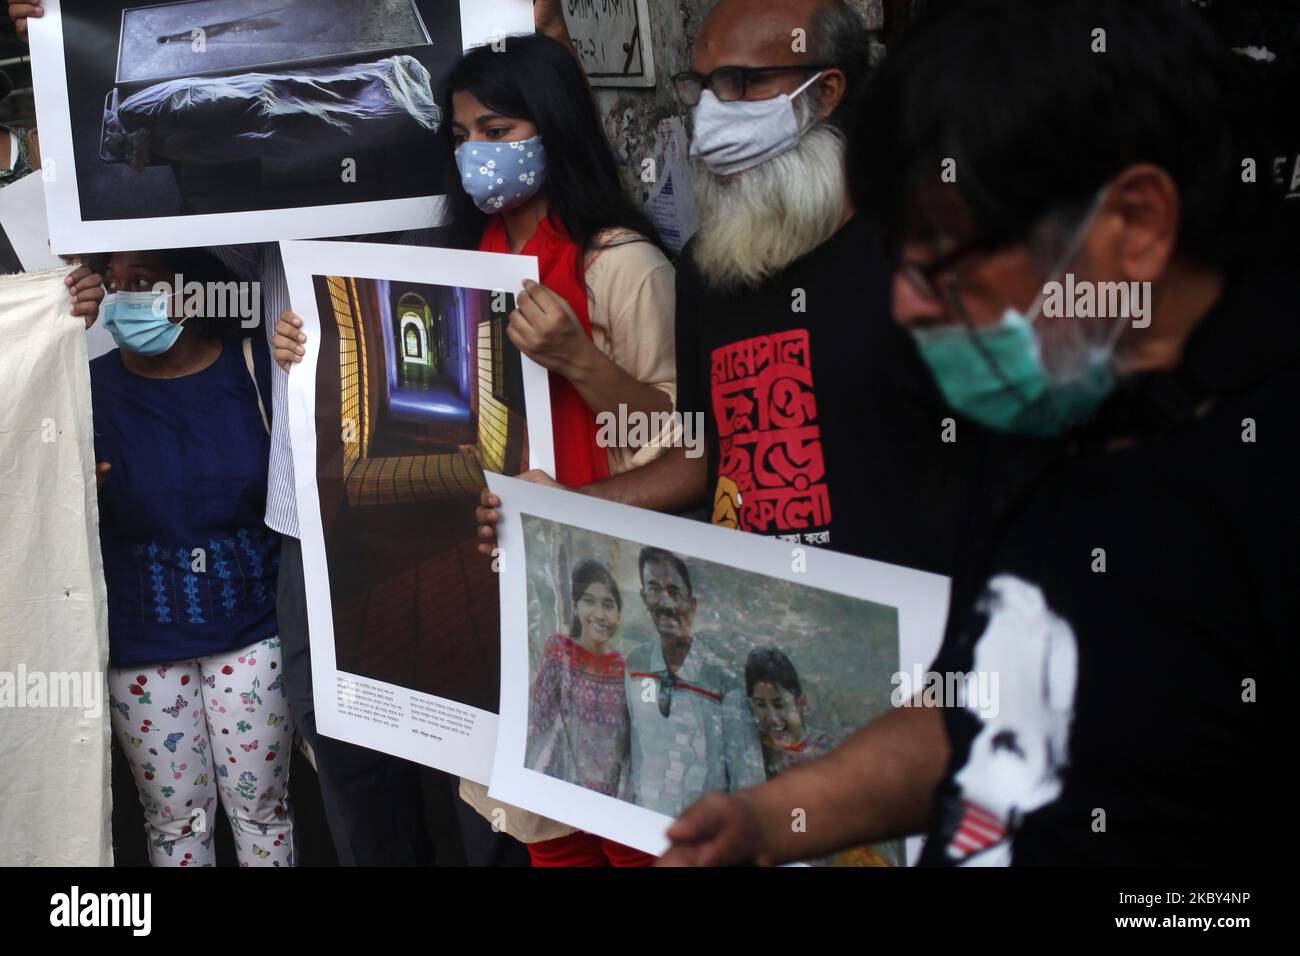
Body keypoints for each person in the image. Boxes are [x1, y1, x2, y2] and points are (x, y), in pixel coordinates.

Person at [659, 0, 1292, 868]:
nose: (909, 303)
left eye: (943, 256)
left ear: (1136, 226)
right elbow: (984, 709)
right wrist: (776, 819)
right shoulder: (1063, 427)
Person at [276, 32, 677, 867]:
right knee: (543, 836)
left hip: (614, 613)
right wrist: (309, 349)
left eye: (498, 132)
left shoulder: (624, 269)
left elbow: (683, 449)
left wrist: (580, 362)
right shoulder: (471, 266)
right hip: (507, 613)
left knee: (635, 836)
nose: (476, 156)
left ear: (554, 128)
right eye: (461, 138)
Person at [477, 0, 986, 580]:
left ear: (826, 92)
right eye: (703, 86)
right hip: (763, 629)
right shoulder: (708, 266)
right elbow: (702, 456)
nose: (714, 112)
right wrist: (565, 506)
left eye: (742, 83)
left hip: (907, 638)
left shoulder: (921, 259)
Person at [91, 248, 294, 867]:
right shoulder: (84, 389)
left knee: (262, 814)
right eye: (112, 283)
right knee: (176, 824)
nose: (122, 298)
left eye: (142, 282)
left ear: (192, 287)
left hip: (252, 632)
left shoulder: (255, 367)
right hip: (142, 640)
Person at [623, 548, 739, 817]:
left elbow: (747, 778)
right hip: (640, 828)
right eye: (653, 589)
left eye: (675, 592)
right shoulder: (635, 664)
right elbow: (629, 753)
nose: (665, 603)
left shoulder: (722, 679)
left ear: (692, 603)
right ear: (643, 597)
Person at [526, 560, 631, 799]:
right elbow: (540, 726)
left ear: (619, 615)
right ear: (575, 608)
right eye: (589, 601)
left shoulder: (624, 669)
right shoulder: (559, 650)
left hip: (610, 802)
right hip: (560, 794)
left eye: (608, 605)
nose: (599, 614)